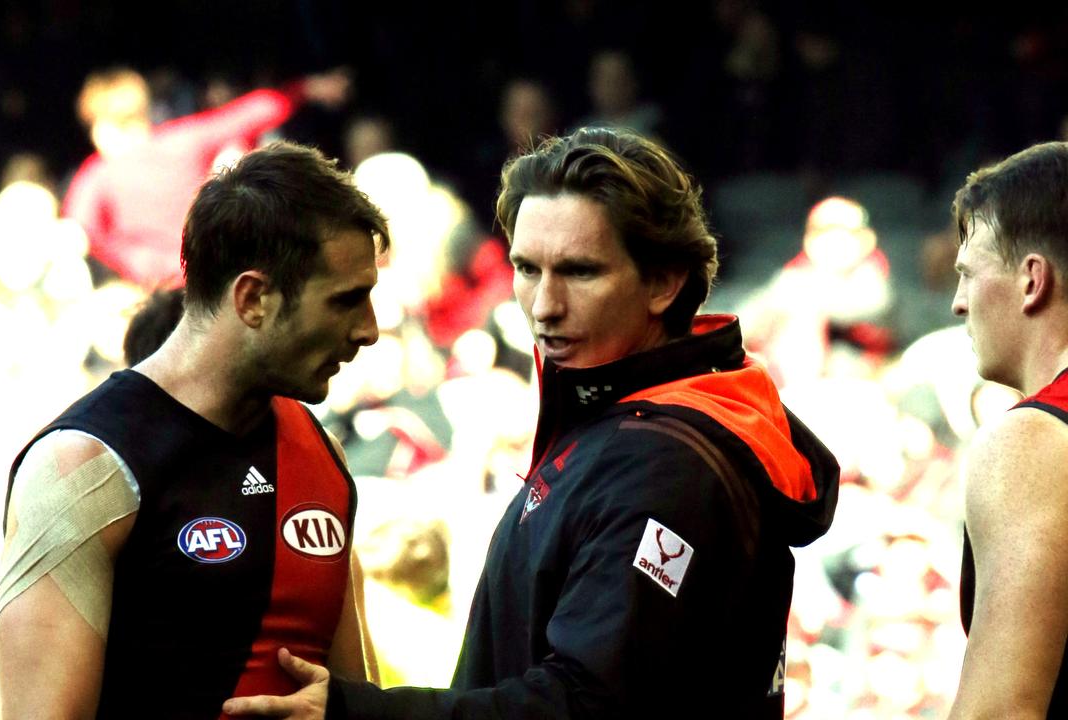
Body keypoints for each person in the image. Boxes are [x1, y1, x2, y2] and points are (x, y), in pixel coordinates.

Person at [224, 127, 840, 718]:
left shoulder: (666, 462)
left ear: (663, 282)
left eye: (579, 271)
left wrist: (357, 714)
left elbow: (583, 706)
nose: (543, 307)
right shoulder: (627, 414)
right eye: (526, 269)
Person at [0, 141, 389, 719]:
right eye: (346, 300)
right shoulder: (83, 467)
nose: (369, 330)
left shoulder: (319, 453)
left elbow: (360, 703)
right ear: (253, 298)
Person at [947, 141, 1068, 719]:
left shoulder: (1033, 441)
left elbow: (997, 713)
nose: (957, 303)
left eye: (968, 274)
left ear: (1031, 280)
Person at [63, 66, 351, 288]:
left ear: (99, 122)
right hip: (212, 275)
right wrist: (306, 88)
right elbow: (255, 111)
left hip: (170, 285)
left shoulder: (97, 173)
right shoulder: (184, 139)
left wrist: (136, 262)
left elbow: (80, 229)